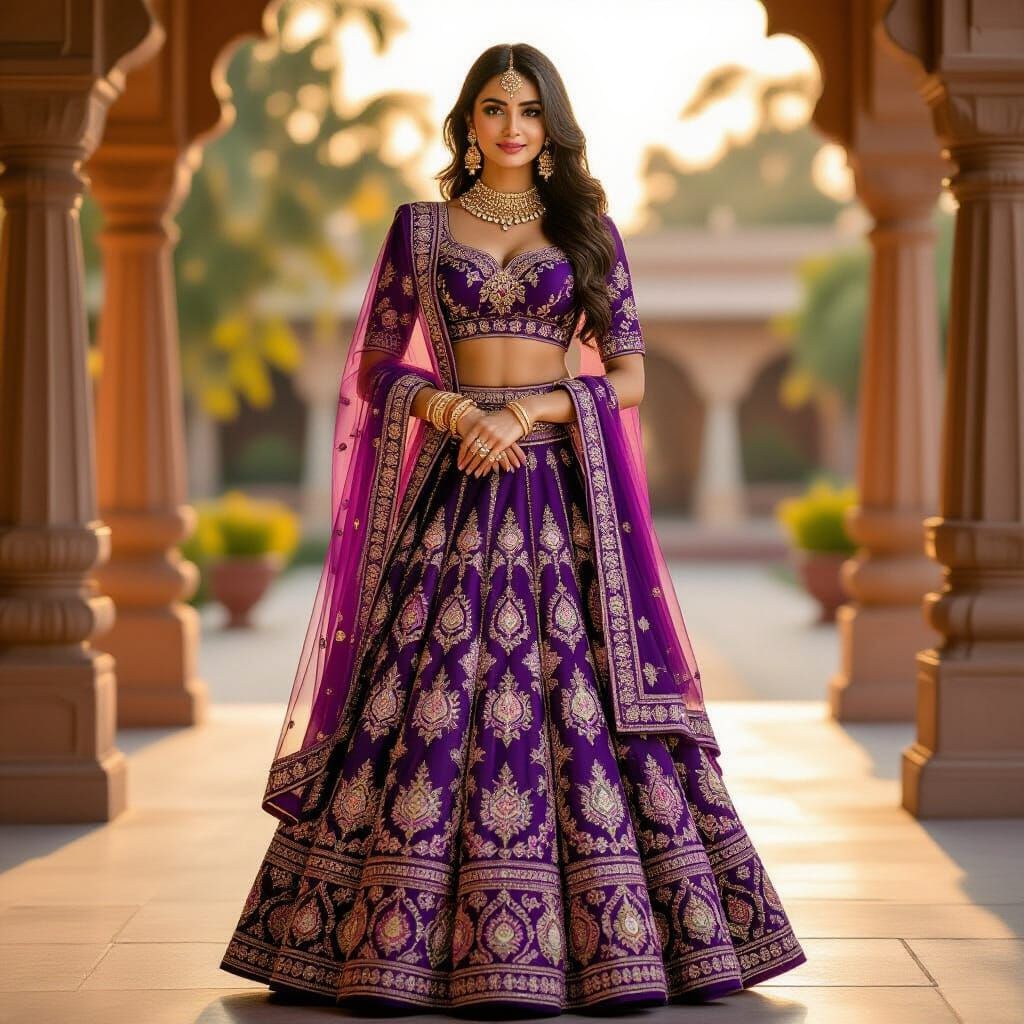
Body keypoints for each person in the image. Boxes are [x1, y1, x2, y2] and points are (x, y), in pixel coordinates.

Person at [219, 42, 806, 1016]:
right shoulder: (417, 230)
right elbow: (376, 367)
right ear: (468, 122)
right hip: (452, 490)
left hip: (554, 495)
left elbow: (628, 374)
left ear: (552, 124)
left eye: (529, 110)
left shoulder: (588, 232)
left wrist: (529, 410)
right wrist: (453, 412)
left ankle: (619, 941)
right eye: (494, 108)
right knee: (425, 692)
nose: (512, 126)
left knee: (573, 690)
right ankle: (393, 941)